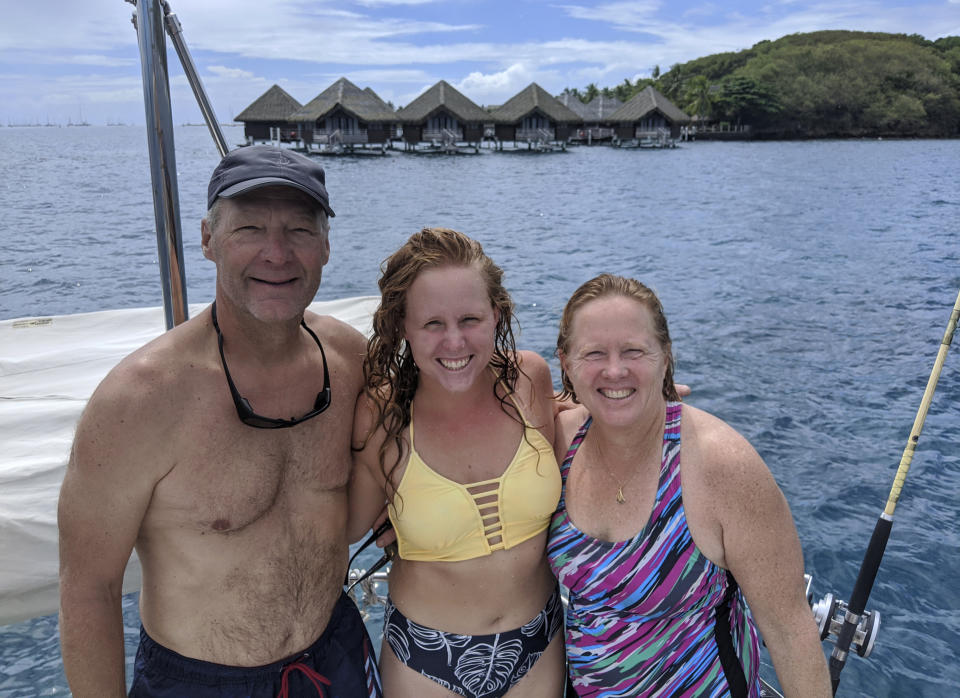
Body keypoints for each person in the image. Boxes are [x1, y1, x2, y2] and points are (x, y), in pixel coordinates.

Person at [58, 145, 382, 697]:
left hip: (338, 655)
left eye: (300, 231)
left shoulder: (352, 362)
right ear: (208, 239)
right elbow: (89, 586)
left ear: (325, 245)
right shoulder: (139, 402)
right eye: (249, 228)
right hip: (199, 682)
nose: (276, 254)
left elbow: (432, 426)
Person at [547, 274, 831, 697]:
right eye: (593, 353)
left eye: (634, 351)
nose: (614, 369)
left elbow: (791, 632)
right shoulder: (556, 442)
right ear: (566, 362)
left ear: (665, 357)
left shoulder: (722, 466)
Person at [348, 228, 566, 697]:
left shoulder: (529, 379)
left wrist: (649, 413)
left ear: (497, 315)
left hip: (538, 645)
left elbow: (576, 441)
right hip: (427, 659)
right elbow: (342, 527)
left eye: (470, 319)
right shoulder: (382, 415)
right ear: (402, 327)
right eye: (431, 324)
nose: (454, 342)